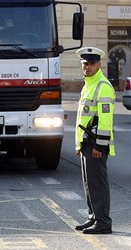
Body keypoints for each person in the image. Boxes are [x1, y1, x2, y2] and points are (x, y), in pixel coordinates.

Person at [74, 47, 115, 235]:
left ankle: (104, 221)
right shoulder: (88, 84)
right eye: (85, 64)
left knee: (97, 182)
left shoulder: (103, 86)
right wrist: (78, 144)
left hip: (96, 143)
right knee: (89, 182)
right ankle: (93, 217)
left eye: (91, 64)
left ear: (99, 65)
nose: (87, 67)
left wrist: (100, 145)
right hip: (86, 142)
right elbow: (84, 118)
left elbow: (105, 120)